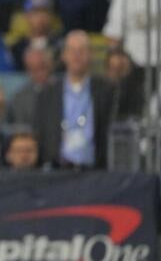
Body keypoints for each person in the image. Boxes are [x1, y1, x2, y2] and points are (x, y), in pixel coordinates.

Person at [33, 30, 115, 169]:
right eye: (72, 50)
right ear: (64, 55)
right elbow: (41, 132)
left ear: (91, 55)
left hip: (96, 171)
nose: (77, 56)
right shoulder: (48, 93)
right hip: (58, 171)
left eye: (82, 50)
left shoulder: (106, 91)